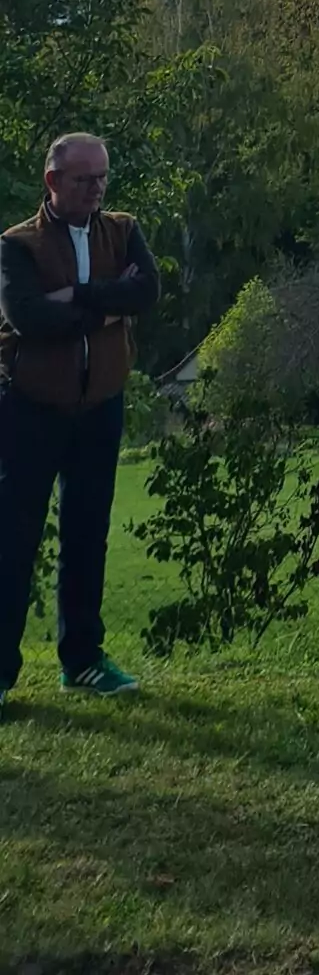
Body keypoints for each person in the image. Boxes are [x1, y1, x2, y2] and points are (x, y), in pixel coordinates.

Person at [0, 133, 158, 710]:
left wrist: (78, 295)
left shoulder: (123, 229)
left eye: (102, 178)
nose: (96, 189)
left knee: (87, 536)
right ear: (52, 181)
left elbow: (147, 290)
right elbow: (29, 318)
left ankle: (83, 662)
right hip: (29, 409)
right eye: (83, 179)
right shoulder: (17, 245)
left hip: (100, 408)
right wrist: (107, 310)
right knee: (12, 539)